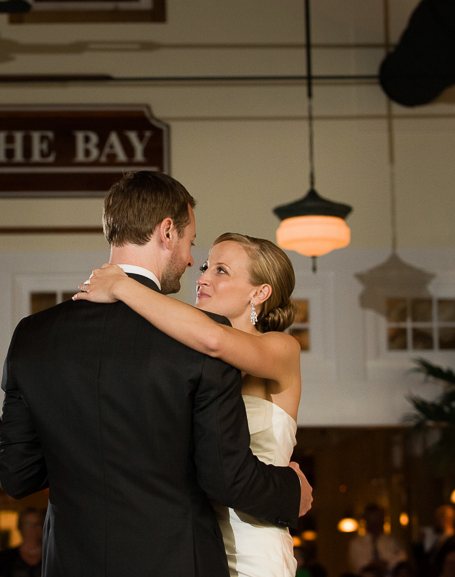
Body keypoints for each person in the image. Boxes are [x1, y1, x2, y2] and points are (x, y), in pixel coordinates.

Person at [0, 170, 312, 577]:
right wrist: (292, 491)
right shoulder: (194, 342)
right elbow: (223, 475)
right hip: (179, 560)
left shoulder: (32, 336)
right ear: (167, 232)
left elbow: (17, 475)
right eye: (191, 243)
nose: (193, 262)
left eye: (219, 269)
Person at [76, 231, 303, 577]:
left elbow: (214, 338)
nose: (203, 276)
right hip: (191, 546)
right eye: (207, 266)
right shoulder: (190, 359)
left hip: (254, 548)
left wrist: (123, 286)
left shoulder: (282, 349)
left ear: (260, 292)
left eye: (221, 271)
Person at [348, 505, 407, 576]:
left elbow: (401, 559)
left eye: (381, 519)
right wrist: (374, 566)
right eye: (376, 519)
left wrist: (386, 564)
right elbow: (359, 566)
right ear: (367, 521)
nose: (381, 522)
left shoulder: (392, 541)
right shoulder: (356, 543)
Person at [0, 508, 44, 577]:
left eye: (37, 524)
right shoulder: (4, 557)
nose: (33, 528)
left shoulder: (51, 557)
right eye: (28, 524)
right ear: (20, 527)